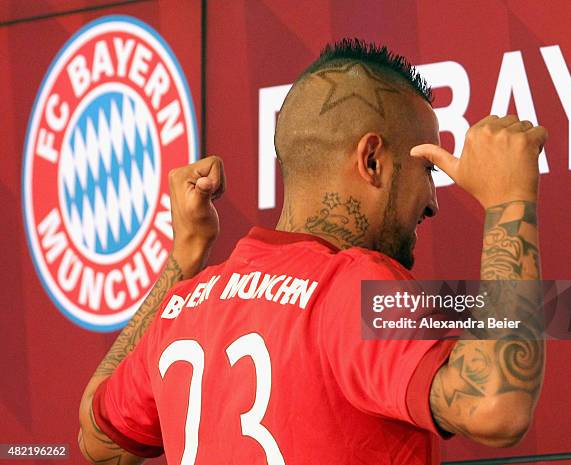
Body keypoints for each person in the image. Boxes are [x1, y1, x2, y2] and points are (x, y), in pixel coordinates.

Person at [78, 39, 547, 465]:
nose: (432, 201)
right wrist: (509, 200)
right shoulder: (354, 288)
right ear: (372, 161)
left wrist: (187, 251)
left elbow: (96, 437)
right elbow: (495, 405)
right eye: (426, 169)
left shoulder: (184, 306)